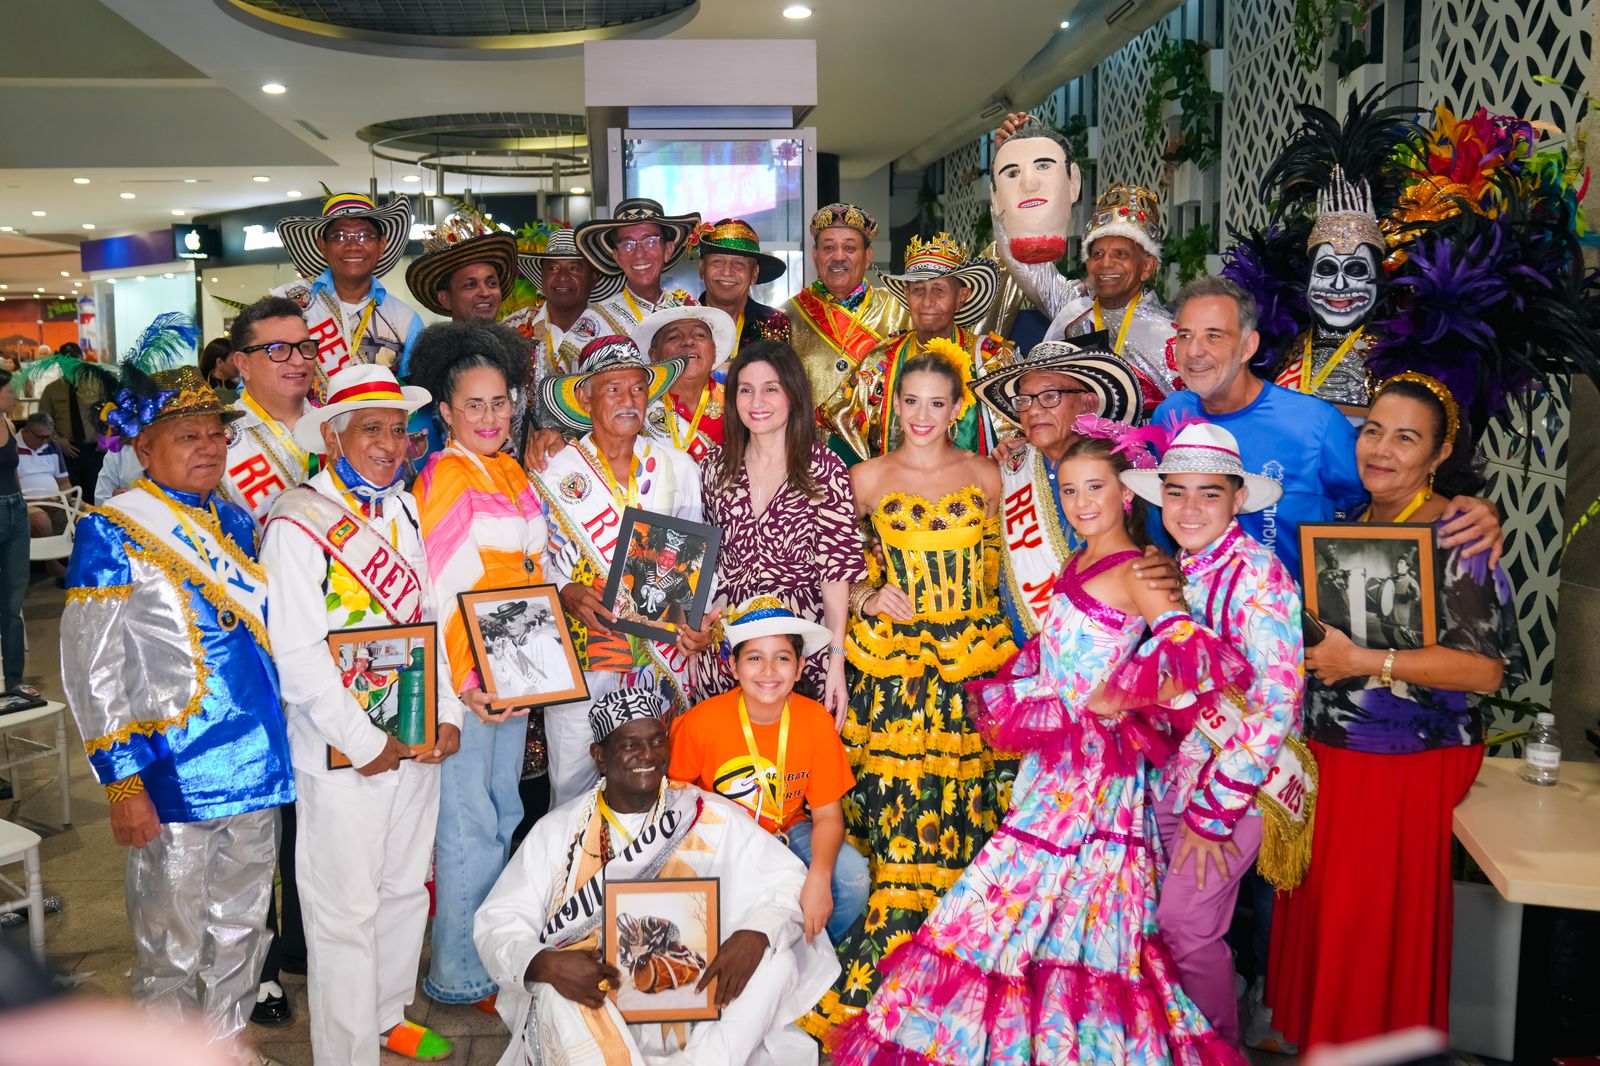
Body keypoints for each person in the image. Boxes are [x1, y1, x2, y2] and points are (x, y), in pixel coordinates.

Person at [829, 434, 1248, 1065]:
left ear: (1126, 493)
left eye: (1095, 487)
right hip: (1056, 762)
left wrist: (1114, 695)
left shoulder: (1139, 569)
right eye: (1070, 489)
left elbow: (1192, 657)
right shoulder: (1082, 559)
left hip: (1094, 775)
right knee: (1045, 913)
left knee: (1037, 907)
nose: (1081, 502)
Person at [1271, 372, 1521, 1049]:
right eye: (1373, 430)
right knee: (1331, 918)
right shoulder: (1352, 521)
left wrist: (1364, 661)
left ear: (1439, 455)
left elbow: (1484, 670)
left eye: (1406, 438)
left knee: (1367, 923)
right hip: (1332, 752)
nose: (1381, 448)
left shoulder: (1456, 532)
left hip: (1402, 759)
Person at [60, 364, 294, 1062]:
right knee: (169, 938)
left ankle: (227, 1041)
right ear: (145, 448)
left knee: (244, 923)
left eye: (217, 435)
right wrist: (122, 782)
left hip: (256, 760)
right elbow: (90, 668)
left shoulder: (236, 519)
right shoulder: (113, 531)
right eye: (188, 436)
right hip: (171, 770)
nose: (209, 447)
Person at [802, 348, 1017, 1036]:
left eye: (937, 403)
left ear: (958, 409)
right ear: (894, 404)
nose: (922, 415)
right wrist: (869, 595)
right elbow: (834, 565)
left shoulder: (987, 473)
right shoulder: (865, 477)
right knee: (901, 824)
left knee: (972, 822)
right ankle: (894, 982)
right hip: (895, 674)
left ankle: (964, 982)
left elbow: (1005, 570)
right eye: (911, 401)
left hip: (973, 670)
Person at [259, 363, 462, 1065]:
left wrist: (448, 714)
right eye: (371, 429)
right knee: (342, 910)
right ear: (334, 437)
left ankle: (386, 1016)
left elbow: (435, 622)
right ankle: (347, 1052)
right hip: (342, 749)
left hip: (415, 736)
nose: (388, 443)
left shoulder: (408, 509)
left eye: (398, 430)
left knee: (404, 888)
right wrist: (362, 737)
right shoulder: (297, 522)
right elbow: (296, 652)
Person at [474, 687, 838, 1066]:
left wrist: (757, 932)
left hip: (698, 990)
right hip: (600, 996)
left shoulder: (704, 813)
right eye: (630, 745)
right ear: (600, 756)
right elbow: (498, 920)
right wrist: (545, 963)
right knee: (553, 990)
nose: (648, 755)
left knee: (777, 960)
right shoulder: (559, 831)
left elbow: (788, 880)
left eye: (657, 741)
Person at [1121, 420, 1308, 1048]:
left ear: (1237, 498)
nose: (1190, 508)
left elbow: (1276, 704)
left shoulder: (1258, 575)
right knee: (1162, 924)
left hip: (1237, 790)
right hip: (1175, 776)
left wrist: (1212, 813)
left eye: (1209, 493)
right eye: (1176, 492)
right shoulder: (1180, 566)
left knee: (1185, 924)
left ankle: (1216, 1051)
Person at [1153, 276, 1499, 576]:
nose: (1194, 351)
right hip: (1186, 617)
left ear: (1248, 346)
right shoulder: (1169, 416)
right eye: (1185, 335)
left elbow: (1392, 493)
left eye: (1213, 335)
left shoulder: (1314, 424)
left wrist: (1469, 511)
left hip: (1291, 621)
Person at [408, 320, 549, 1014]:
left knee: (501, 814)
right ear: (445, 411)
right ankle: (461, 972)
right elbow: (447, 589)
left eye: (500, 403)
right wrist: (467, 684)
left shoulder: (510, 470)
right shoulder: (444, 474)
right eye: (474, 405)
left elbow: (530, 575)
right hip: (472, 679)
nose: (490, 417)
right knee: (467, 825)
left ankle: (486, 957)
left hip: (515, 668)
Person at [529, 336, 716, 807]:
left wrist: (697, 622)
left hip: (658, 655)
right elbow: (531, 557)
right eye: (612, 389)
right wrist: (566, 590)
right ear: (585, 397)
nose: (628, 400)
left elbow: (697, 559)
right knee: (572, 786)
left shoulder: (677, 466)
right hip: (581, 653)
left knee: (658, 781)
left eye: (637, 388)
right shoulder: (553, 467)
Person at [669, 597, 870, 947]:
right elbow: (674, 810)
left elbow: (828, 816)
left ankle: (804, 954)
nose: (768, 671)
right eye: (754, 658)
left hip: (788, 829)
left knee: (852, 880)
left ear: (800, 667)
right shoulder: (701, 723)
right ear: (733, 666)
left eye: (782, 658)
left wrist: (820, 877)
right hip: (722, 839)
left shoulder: (815, 722)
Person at [697, 341, 862, 709]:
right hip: (727, 647)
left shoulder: (824, 469)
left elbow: (835, 576)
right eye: (746, 390)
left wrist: (836, 659)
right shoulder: (714, 467)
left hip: (799, 648)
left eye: (771, 389)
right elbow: (703, 562)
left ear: (793, 394)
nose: (757, 402)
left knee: (794, 744)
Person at [991, 115, 1181, 413]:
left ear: (1147, 266)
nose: (1106, 264)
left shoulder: (1170, 335)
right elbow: (1021, 260)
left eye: (1121, 254)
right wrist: (1010, 162)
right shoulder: (1072, 306)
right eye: (1097, 254)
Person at [970, 336, 1143, 640]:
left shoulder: (1121, 470)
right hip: (1015, 654)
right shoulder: (1009, 466)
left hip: (1098, 655)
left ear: (1088, 403)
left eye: (1050, 396)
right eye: (1025, 400)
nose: (1034, 410)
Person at [823, 232, 1012, 462]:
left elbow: (1019, 436)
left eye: (939, 290)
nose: (927, 302)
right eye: (918, 290)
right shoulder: (881, 360)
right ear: (906, 295)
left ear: (961, 297)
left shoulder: (991, 359)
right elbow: (842, 435)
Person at [270, 191, 423, 396]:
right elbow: (255, 382)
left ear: (381, 245)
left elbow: (414, 395)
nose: (353, 245)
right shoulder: (285, 302)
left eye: (365, 235)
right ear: (322, 245)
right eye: (340, 236)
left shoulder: (405, 320)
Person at [783, 204, 910, 420]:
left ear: (868, 256)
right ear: (815, 255)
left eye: (850, 248)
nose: (839, 256)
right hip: (808, 440)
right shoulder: (785, 318)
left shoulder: (901, 310)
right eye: (828, 248)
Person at [560, 197, 702, 362]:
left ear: (668, 250)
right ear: (617, 257)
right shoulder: (596, 320)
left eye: (650, 242)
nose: (639, 253)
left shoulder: (688, 309)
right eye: (627, 245)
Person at [516, 227, 623, 432]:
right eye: (553, 268)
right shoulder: (514, 328)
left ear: (593, 278)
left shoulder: (613, 333)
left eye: (574, 268)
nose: (562, 277)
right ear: (542, 275)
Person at [633, 304, 737, 462]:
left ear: (714, 351)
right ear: (653, 355)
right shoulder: (638, 406)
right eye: (674, 337)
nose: (688, 341)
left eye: (699, 335)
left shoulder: (737, 403)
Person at [692, 218, 793, 350]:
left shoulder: (774, 324)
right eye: (717, 261)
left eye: (739, 263)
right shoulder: (681, 321)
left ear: (754, 273)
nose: (727, 272)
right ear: (702, 268)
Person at [0, 377, 34, 697]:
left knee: (13, 602)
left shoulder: (8, 425)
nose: (13, 396)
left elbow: (13, 473)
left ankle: (14, 680)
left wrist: (22, 505)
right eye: (8, 391)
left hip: (15, 512)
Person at [17, 412, 71, 540]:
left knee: (88, 516)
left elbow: (64, 482)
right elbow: (10, 489)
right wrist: (38, 501)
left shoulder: (53, 446)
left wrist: (61, 498)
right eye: (41, 437)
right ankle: (51, 554)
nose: (45, 441)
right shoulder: (11, 446)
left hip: (55, 501)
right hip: (26, 503)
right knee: (41, 522)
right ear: (26, 431)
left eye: (49, 437)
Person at [200, 337, 241, 406]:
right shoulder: (203, 391)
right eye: (234, 359)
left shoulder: (237, 387)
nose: (238, 363)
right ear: (219, 362)